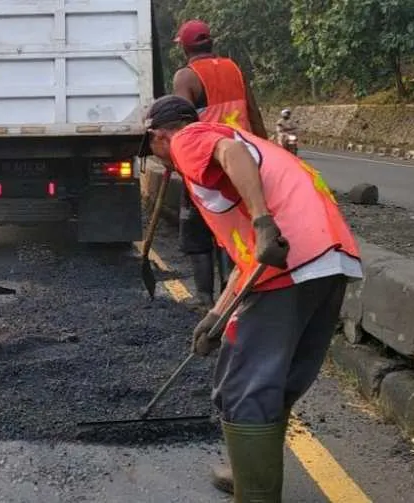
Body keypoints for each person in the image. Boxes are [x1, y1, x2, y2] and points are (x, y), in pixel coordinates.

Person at [140, 95, 362, 502]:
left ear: (157, 136)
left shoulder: (188, 140)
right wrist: (218, 316)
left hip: (290, 262)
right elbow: (249, 259)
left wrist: (262, 222)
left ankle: (256, 494)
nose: (155, 156)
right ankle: (249, 471)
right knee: (279, 381)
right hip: (327, 260)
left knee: (242, 387)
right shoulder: (231, 138)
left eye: (149, 147)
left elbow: (231, 153)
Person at [170, 19, 268, 310]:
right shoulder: (234, 68)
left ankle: (204, 298)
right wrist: (265, 153)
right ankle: (235, 293)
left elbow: (180, 123)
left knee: (197, 232)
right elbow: (254, 112)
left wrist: (176, 158)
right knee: (232, 231)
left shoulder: (185, 77)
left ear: (185, 47)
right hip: (243, 164)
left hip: (206, 165)